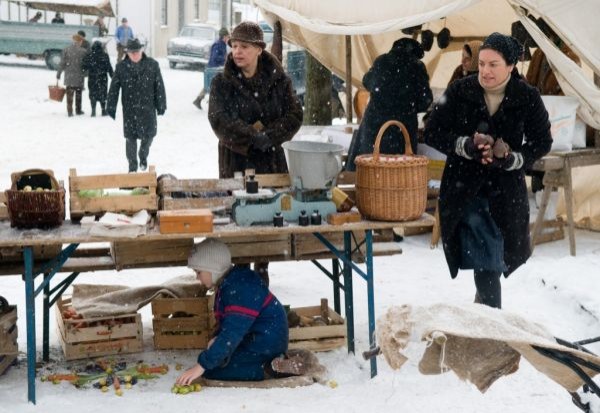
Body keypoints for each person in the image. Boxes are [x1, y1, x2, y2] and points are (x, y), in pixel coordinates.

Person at [423, 33, 552, 309]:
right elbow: (432, 130)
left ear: (510, 66)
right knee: (487, 258)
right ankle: (492, 322)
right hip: (465, 189)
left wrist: (512, 159)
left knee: (494, 256)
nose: (485, 71)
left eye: (493, 64)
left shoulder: (527, 96)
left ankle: (483, 310)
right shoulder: (460, 90)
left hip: (505, 193)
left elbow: (542, 142)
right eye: (481, 63)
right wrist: (465, 145)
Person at [208, 21, 303, 283]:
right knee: (238, 220)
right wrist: (252, 137)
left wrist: (270, 137)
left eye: (244, 47)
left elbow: (295, 115)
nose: (237, 51)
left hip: (269, 160)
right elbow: (219, 119)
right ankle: (239, 283)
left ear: (259, 49)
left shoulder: (279, 80)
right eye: (234, 46)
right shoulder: (221, 82)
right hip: (236, 160)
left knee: (266, 220)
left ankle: (261, 280)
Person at [176, 239, 293, 384]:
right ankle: (268, 362)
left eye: (199, 272)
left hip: (265, 343)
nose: (197, 277)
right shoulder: (231, 282)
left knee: (213, 370)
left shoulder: (240, 288)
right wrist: (217, 337)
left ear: (213, 268)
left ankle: (268, 368)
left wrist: (202, 365)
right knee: (218, 361)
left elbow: (232, 332)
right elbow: (228, 323)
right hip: (255, 338)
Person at [345, 38, 433, 171]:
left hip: (373, 127)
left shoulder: (382, 61)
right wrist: (408, 105)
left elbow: (367, 81)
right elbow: (426, 100)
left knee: (370, 171)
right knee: (397, 175)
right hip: (403, 129)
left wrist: (383, 96)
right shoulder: (417, 67)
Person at [107, 38, 166, 172]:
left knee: (149, 135)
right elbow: (114, 88)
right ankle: (132, 166)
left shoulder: (152, 65)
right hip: (130, 108)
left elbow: (159, 86)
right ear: (127, 53)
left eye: (137, 52)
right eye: (132, 52)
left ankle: (143, 155)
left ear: (141, 51)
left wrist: (161, 104)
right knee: (130, 138)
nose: (135, 55)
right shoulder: (121, 67)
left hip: (148, 108)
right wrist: (111, 106)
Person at [193, 27, 230, 110]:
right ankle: (211, 103)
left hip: (216, 68)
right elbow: (215, 57)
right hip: (214, 68)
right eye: (227, 37)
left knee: (209, 85)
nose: (228, 38)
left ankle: (198, 99)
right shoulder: (218, 44)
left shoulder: (222, 44)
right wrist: (224, 59)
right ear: (224, 36)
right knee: (213, 86)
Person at [56, 33, 88, 117]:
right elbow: (86, 65)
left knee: (69, 94)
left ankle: (70, 111)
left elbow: (62, 63)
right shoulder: (83, 51)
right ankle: (78, 110)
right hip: (79, 75)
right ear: (80, 41)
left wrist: (59, 73)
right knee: (78, 94)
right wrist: (86, 74)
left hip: (69, 76)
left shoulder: (66, 50)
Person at [82, 41, 113, 117]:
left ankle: (93, 111)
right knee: (103, 93)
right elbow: (109, 67)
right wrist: (112, 76)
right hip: (103, 78)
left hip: (92, 77)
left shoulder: (89, 55)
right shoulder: (105, 55)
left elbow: (84, 67)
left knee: (93, 93)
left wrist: (87, 69)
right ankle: (103, 110)